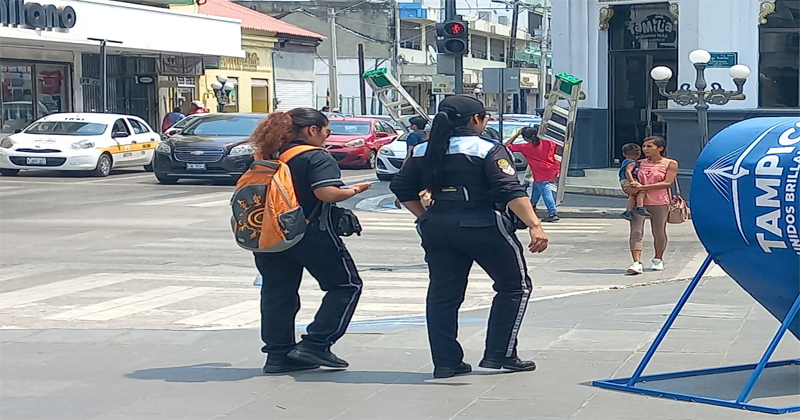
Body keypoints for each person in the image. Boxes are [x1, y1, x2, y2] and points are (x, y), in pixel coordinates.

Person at [390, 95, 549, 379]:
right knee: (515, 286)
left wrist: (424, 216)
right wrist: (534, 225)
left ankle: (446, 362)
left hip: (438, 225)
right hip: (482, 223)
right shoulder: (486, 148)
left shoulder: (423, 149)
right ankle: (500, 353)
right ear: (476, 119)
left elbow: (401, 187)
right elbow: (509, 190)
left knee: (443, 295)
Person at [248, 108, 373, 374]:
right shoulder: (315, 156)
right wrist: (354, 189)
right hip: (310, 234)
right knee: (346, 285)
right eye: (327, 130)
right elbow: (327, 193)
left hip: (269, 234)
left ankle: (278, 355)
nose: (328, 136)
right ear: (311, 130)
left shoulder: (268, 155)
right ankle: (316, 343)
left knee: (277, 294)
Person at [625, 135, 678, 275]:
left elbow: (667, 182)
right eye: (644, 146)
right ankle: (636, 262)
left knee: (658, 231)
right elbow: (628, 177)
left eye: (650, 146)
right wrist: (633, 186)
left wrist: (644, 187)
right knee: (636, 232)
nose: (645, 149)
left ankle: (658, 258)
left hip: (659, 201)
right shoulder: (638, 163)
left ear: (660, 148)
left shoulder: (670, 163)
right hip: (638, 202)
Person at [505, 127, 560, 222]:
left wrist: (517, 134)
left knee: (545, 190)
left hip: (539, 171)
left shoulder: (525, 147)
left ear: (526, 138)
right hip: (551, 168)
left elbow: (506, 145)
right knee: (537, 186)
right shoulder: (548, 143)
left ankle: (553, 212)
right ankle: (532, 205)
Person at [619, 143, 650, 221]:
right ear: (639, 153)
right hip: (628, 180)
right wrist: (632, 181)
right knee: (642, 190)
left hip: (623, 180)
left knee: (633, 195)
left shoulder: (626, 161)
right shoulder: (631, 162)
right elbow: (628, 171)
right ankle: (640, 206)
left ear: (624, 154)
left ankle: (628, 212)